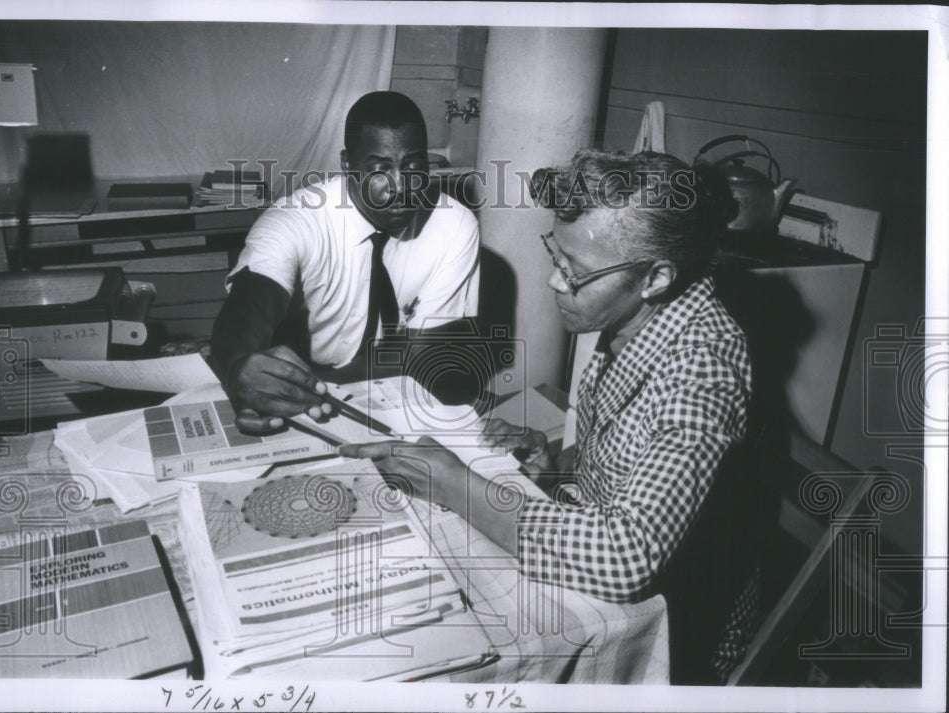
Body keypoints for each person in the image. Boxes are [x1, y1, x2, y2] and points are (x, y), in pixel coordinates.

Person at [341, 149, 760, 684]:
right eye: (556, 257)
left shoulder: (705, 368)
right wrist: (556, 469)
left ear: (656, 277)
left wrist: (453, 482)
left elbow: (627, 556)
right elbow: (625, 463)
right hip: (607, 584)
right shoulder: (637, 311)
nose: (555, 283)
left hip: (682, 636)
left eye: (575, 272)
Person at [210, 91, 480, 434]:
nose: (400, 187)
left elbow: (426, 362)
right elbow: (248, 306)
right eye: (379, 169)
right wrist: (239, 365)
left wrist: (320, 386)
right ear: (348, 163)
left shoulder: (453, 224)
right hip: (295, 404)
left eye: (413, 167)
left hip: (385, 398)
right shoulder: (296, 219)